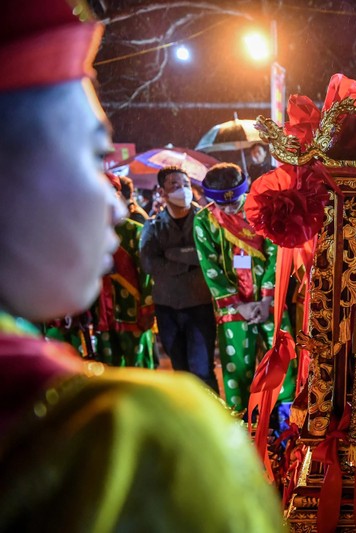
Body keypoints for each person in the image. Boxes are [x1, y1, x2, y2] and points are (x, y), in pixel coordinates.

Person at [0, 2, 284, 531]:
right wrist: (237, 302)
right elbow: (190, 263)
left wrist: (264, 297)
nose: (115, 205)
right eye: (93, 155)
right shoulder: (142, 437)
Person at [193, 163, 296, 413]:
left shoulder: (261, 211)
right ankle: (241, 425)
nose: (230, 208)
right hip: (233, 306)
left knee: (282, 359)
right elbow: (210, 268)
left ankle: (285, 421)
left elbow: (276, 252)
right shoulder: (204, 221)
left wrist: (265, 300)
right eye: (222, 205)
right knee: (236, 367)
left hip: (268, 301)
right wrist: (240, 305)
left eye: (235, 201)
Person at [139, 166, 219, 392]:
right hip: (167, 308)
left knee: (202, 370)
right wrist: (190, 259)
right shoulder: (153, 225)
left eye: (185, 184)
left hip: (199, 305)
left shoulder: (207, 220)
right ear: (162, 192)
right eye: (174, 185)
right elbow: (149, 264)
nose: (181, 189)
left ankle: (214, 422)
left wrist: (172, 255)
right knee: (181, 372)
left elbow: (210, 256)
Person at [90, 172, 156, 368]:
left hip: (132, 312)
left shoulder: (134, 230)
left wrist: (148, 307)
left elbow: (147, 273)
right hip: (100, 314)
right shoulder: (87, 232)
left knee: (139, 368)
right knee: (108, 369)